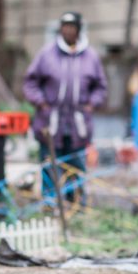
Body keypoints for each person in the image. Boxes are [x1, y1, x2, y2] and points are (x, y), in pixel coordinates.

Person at [23, 11, 108, 203]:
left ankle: (76, 204)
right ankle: (50, 205)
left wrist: (91, 104)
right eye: (64, 27)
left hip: (78, 124)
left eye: (72, 27)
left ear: (78, 30)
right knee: (49, 165)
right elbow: (30, 83)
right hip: (50, 122)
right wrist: (41, 102)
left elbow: (101, 87)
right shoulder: (47, 54)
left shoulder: (91, 56)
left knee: (76, 166)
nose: (68, 30)